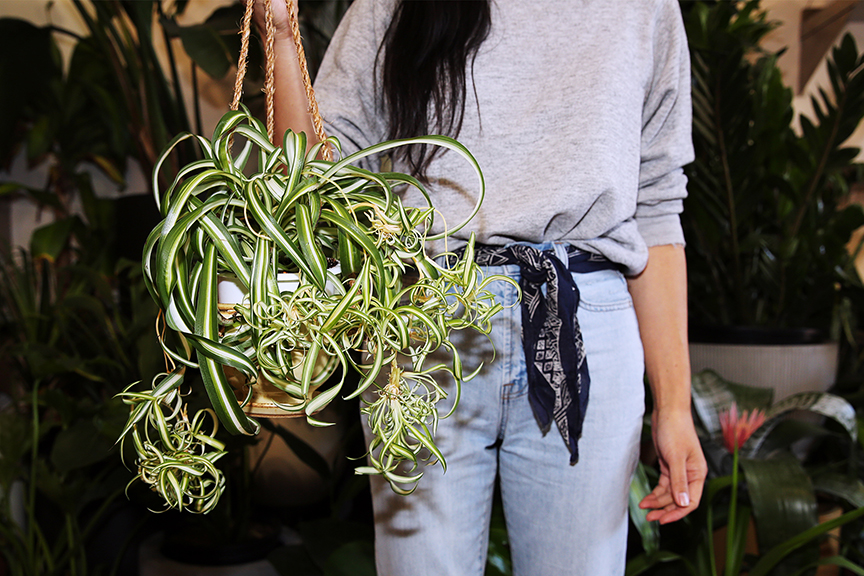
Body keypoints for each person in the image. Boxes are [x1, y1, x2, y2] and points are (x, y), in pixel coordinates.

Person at [252, 1, 707, 574]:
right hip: (422, 323)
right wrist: (280, 34)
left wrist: (674, 407)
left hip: (584, 323)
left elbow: (658, 205)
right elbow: (313, 180)